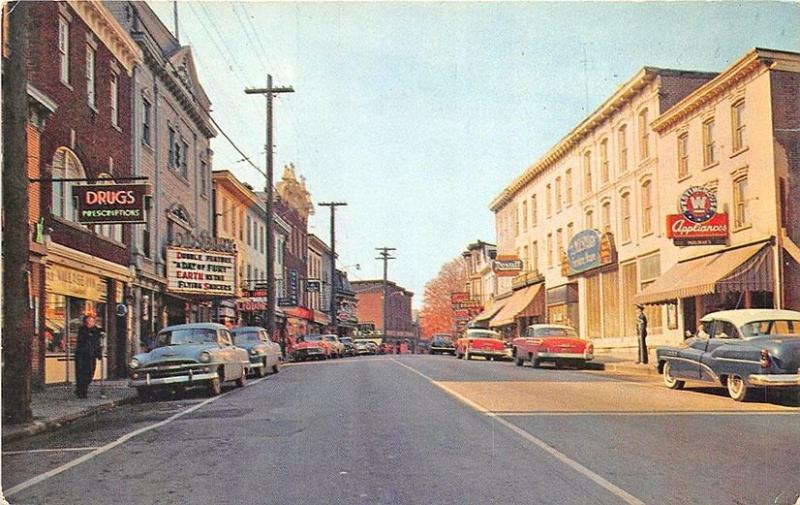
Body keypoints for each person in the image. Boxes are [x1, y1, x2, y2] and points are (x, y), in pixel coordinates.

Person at [75, 315, 102, 399]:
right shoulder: (83, 330)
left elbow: (97, 343)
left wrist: (98, 353)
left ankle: (83, 389)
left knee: (90, 373)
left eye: (92, 321)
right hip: (82, 356)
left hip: (92, 355)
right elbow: (81, 342)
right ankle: (81, 391)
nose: (90, 323)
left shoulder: (96, 331)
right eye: (89, 321)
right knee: (81, 374)